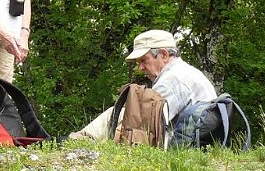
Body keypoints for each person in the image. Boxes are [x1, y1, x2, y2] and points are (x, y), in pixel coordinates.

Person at [71, 29, 217, 140]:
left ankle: (78, 143)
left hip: (181, 145)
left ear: (164, 55)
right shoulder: (185, 72)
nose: (140, 68)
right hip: (195, 140)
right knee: (117, 112)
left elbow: (144, 129)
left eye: (143, 60)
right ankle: (79, 140)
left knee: (121, 116)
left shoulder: (171, 81)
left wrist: (108, 144)